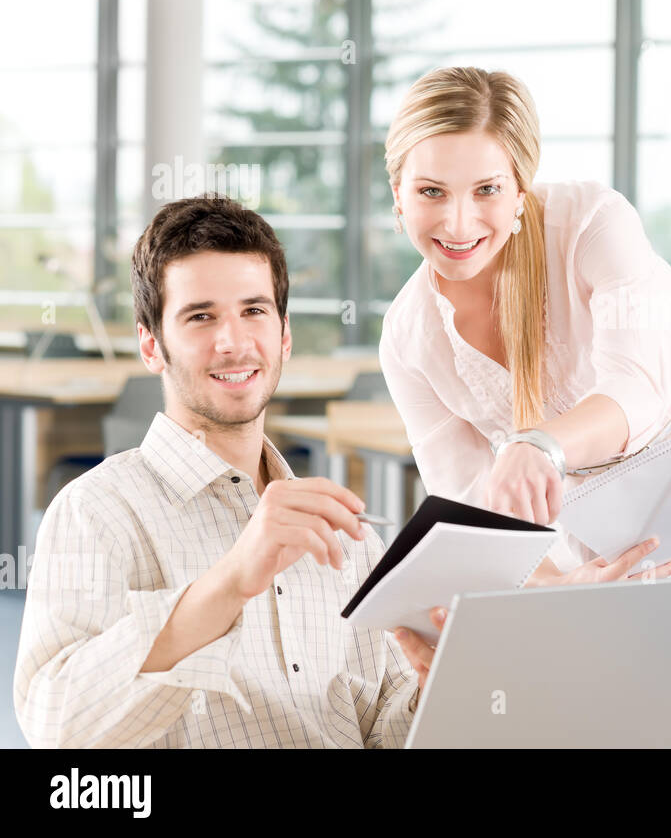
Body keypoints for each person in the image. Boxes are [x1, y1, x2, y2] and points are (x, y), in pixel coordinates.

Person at [379, 66, 671, 749]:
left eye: (487, 190)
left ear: (520, 188)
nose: (458, 222)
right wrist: (559, 585)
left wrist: (539, 444)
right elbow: (473, 515)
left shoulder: (590, 223)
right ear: (398, 195)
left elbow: (635, 389)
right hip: (607, 603)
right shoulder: (410, 339)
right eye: (431, 192)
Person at [13, 194, 445, 748]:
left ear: (284, 335)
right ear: (151, 344)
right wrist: (230, 582)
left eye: (253, 310)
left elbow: (379, 727)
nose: (233, 342)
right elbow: (56, 728)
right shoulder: (94, 512)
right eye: (200, 316)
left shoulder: (340, 529)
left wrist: (434, 691)